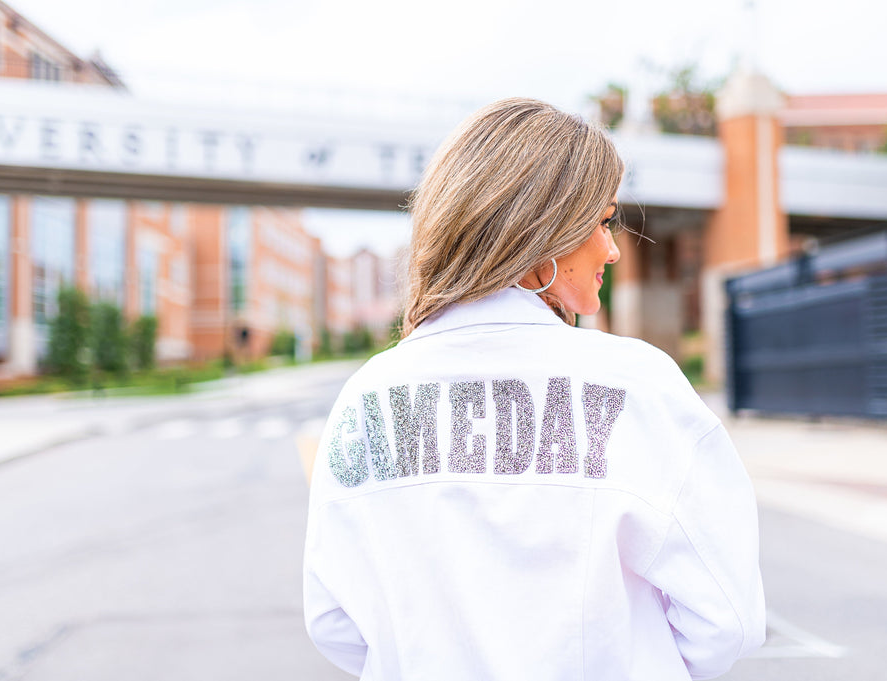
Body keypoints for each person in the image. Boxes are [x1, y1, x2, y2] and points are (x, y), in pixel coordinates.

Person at [303, 98, 765, 680]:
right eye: (601, 222)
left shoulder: (366, 398)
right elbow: (727, 615)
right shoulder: (636, 384)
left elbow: (334, 622)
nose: (614, 247)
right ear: (543, 232)